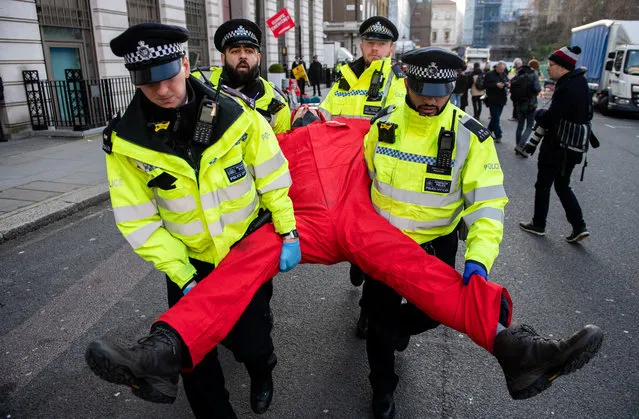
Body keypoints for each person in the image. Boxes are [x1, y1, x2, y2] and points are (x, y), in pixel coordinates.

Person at [85, 92, 603, 415]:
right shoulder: (275, 138)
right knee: (236, 268)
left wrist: (470, 232)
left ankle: (511, 347)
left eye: (318, 113)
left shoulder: (367, 128)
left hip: (359, 222)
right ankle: (165, 349)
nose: (313, 116)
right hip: (300, 224)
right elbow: (248, 177)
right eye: (305, 114)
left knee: (425, 272)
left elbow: (415, 142)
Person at [99, 23, 301, 418]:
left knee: (252, 343)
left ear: (186, 64)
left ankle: (263, 371)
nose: (161, 90)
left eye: (168, 76)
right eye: (147, 81)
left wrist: (287, 228)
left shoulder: (236, 115)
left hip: (243, 252)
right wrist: (183, 274)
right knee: (196, 359)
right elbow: (137, 219)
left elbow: (273, 176)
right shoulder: (125, 141)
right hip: (188, 260)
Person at [360, 47, 508, 418]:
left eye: (441, 90)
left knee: (435, 313)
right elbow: (360, 178)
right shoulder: (383, 123)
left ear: (453, 87)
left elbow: (487, 204)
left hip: (435, 246)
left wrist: (478, 259)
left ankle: (396, 328)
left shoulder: (471, 136)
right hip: (385, 245)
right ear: (407, 82)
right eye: (422, 88)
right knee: (378, 326)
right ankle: (382, 388)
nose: (431, 99)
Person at [319, 16, 409, 338]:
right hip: (345, 172)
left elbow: (396, 123)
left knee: (376, 241)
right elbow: (326, 112)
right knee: (348, 230)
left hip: (379, 173)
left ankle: (369, 311)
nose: (375, 48)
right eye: (370, 43)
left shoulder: (398, 80)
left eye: (381, 44)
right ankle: (356, 262)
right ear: (361, 45)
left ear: (391, 48)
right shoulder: (345, 76)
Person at [519, 46, 591, 243]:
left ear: (563, 67)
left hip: (557, 146)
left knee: (543, 184)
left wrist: (539, 114)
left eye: (551, 65)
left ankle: (538, 223)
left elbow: (552, 117)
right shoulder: (580, 83)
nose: (548, 69)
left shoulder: (566, 87)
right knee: (562, 184)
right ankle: (579, 226)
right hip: (574, 147)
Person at [191, 19, 291, 135]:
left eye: (249, 51)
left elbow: (283, 147)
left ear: (258, 58)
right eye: (235, 51)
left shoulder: (277, 101)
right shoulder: (198, 81)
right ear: (223, 58)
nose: (243, 56)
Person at [512, 58, 541, 156]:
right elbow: (537, 88)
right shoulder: (533, 75)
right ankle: (520, 146)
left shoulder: (520, 72)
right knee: (529, 126)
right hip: (530, 104)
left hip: (519, 103)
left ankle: (517, 146)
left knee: (520, 125)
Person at [484, 61, 508, 143]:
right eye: (501, 69)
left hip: (502, 99)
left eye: (503, 69)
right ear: (497, 67)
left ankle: (487, 132)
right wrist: (496, 85)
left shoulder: (504, 74)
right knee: (496, 118)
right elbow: (485, 85)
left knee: (495, 118)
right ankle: (499, 135)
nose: (502, 71)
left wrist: (505, 84)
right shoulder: (490, 74)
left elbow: (506, 82)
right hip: (492, 99)